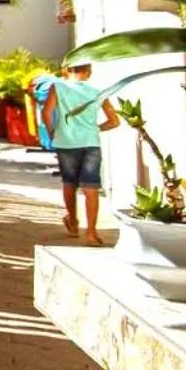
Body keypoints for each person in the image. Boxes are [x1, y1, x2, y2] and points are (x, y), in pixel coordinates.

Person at [38, 62, 121, 244]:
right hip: (90, 143)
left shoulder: (58, 87)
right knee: (91, 187)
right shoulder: (99, 91)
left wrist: (53, 132)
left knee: (69, 183)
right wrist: (96, 129)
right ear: (89, 72)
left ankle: (73, 222)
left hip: (66, 143)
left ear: (67, 71)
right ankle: (91, 233)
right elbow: (114, 121)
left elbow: (46, 113)